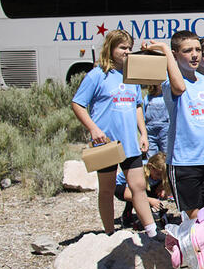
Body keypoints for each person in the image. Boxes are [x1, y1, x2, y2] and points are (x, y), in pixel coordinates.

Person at [70, 30, 158, 237]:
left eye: (129, 48)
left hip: (129, 142)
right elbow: (78, 104)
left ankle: (152, 231)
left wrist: (143, 133)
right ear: (110, 48)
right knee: (107, 189)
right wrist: (93, 129)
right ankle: (109, 233)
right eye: (122, 48)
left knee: (138, 186)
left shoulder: (131, 75)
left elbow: (137, 105)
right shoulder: (97, 75)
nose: (126, 52)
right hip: (106, 143)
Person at [143, 31, 204, 218]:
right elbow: (180, 87)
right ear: (174, 55)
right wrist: (164, 50)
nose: (195, 54)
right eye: (188, 50)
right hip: (185, 163)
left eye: (198, 49)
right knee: (196, 219)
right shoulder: (169, 83)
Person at [115, 152, 171, 229]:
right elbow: (129, 193)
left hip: (141, 187)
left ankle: (150, 212)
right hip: (120, 187)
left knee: (151, 191)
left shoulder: (157, 176)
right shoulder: (139, 171)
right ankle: (127, 216)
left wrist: (162, 188)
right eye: (158, 174)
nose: (160, 177)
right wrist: (149, 200)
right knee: (135, 196)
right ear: (150, 167)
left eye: (162, 176)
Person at [143, 81, 170, 161]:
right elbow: (143, 115)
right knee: (151, 158)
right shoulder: (147, 98)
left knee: (166, 156)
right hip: (150, 132)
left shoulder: (166, 97)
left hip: (165, 131)